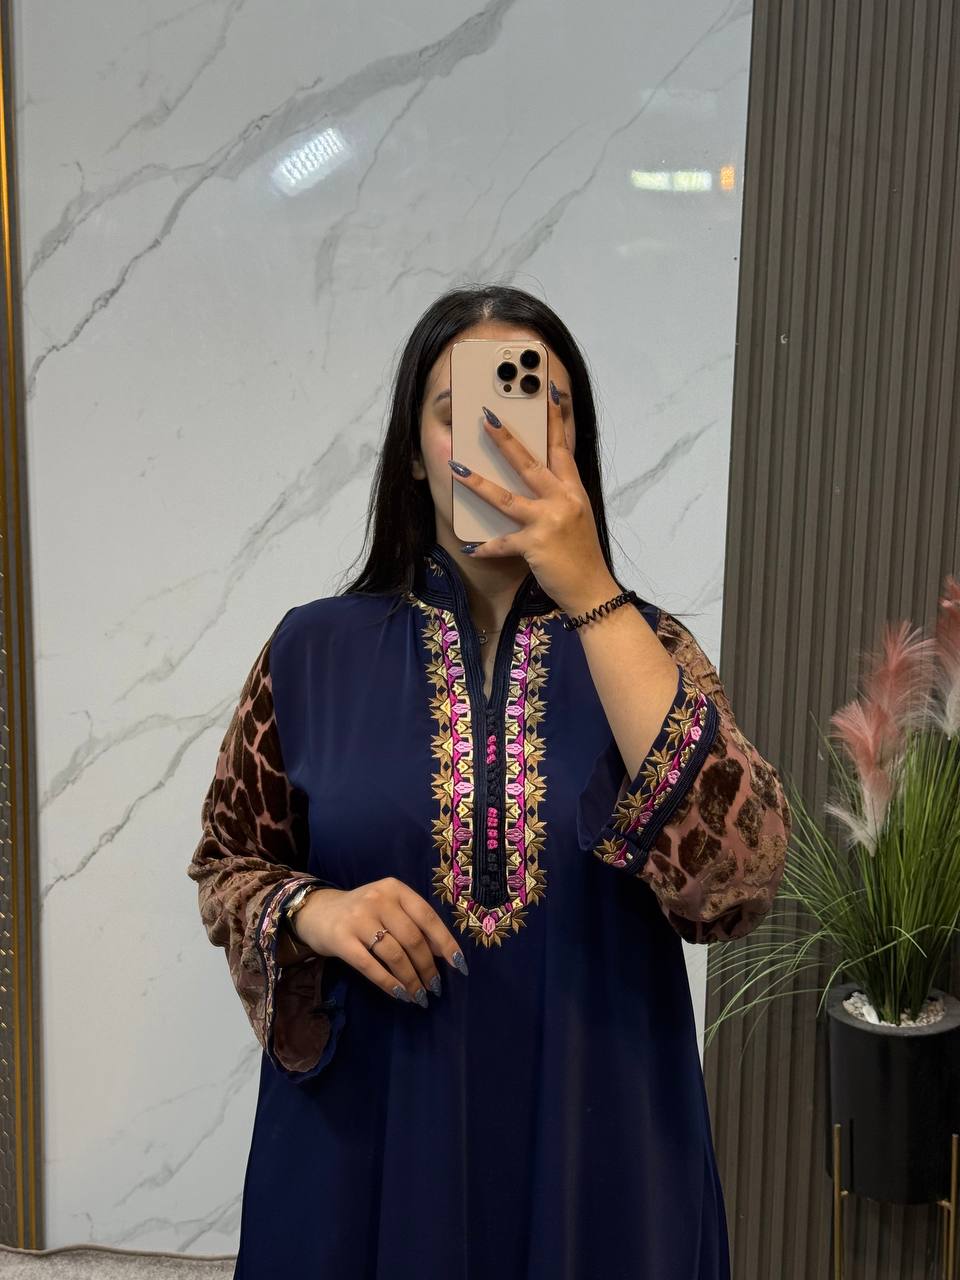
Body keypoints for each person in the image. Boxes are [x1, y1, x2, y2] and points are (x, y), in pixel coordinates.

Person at [187, 284, 791, 1279]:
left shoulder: (649, 652)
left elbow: (739, 883)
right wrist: (316, 911)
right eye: (461, 408)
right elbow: (228, 867)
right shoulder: (310, 653)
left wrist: (591, 591)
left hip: (597, 1145)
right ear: (414, 454)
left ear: (577, 447)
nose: (507, 434)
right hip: (368, 1145)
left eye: (547, 406)